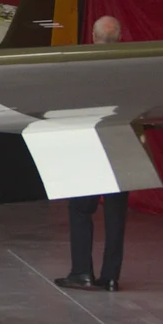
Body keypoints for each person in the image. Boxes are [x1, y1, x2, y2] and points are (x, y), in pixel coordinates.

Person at [55, 15, 130, 292]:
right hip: (123, 144)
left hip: (89, 145)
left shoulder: (82, 66)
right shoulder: (133, 65)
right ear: (120, 37)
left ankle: (82, 272)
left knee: (80, 209)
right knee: (115, 213)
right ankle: (111, 277)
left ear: (93, 36)